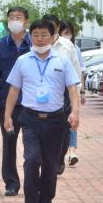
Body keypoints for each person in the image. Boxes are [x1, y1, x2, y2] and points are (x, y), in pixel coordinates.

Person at [3, 19, 81, 203]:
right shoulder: (23, 61)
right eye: (35, 35)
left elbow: (72, 88)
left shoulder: (62, 60)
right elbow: (14, 90)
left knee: (50, 165)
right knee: (32, 160)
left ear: (53, 37)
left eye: (44, 35)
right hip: (30, 118)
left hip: (55, 120)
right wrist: (7, 115)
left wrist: (75, 112)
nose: (39, 39)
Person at [0, 6, 31, 196]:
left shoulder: (33, 44)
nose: (14, 21)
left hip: (31, 103)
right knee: (9, 143)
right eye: (11, 17)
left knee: (32, 145)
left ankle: (32, 182)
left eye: (18, 17)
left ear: (26, 21)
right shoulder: (0, 45)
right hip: (8, 104)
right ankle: (11, 183)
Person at [42, 13, 82, 176]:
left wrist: (77, 95)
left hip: (65, 92)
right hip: (43, 93)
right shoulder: (38, 44)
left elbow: (76, 68)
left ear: (58, 27)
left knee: (64, 130)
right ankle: (47, 159)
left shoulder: (67, 46)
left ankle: (59, 158)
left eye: (52, 26)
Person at [59, 20, 86, 166]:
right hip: (58, 92)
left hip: (72, 91)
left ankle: (72, 151)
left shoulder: (74, 49)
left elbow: (80, 70)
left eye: (69, 33)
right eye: (65, 32)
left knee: (72, 120)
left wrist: (81, 91)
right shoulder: (52, 47)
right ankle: (62, 153)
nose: (67, 35)